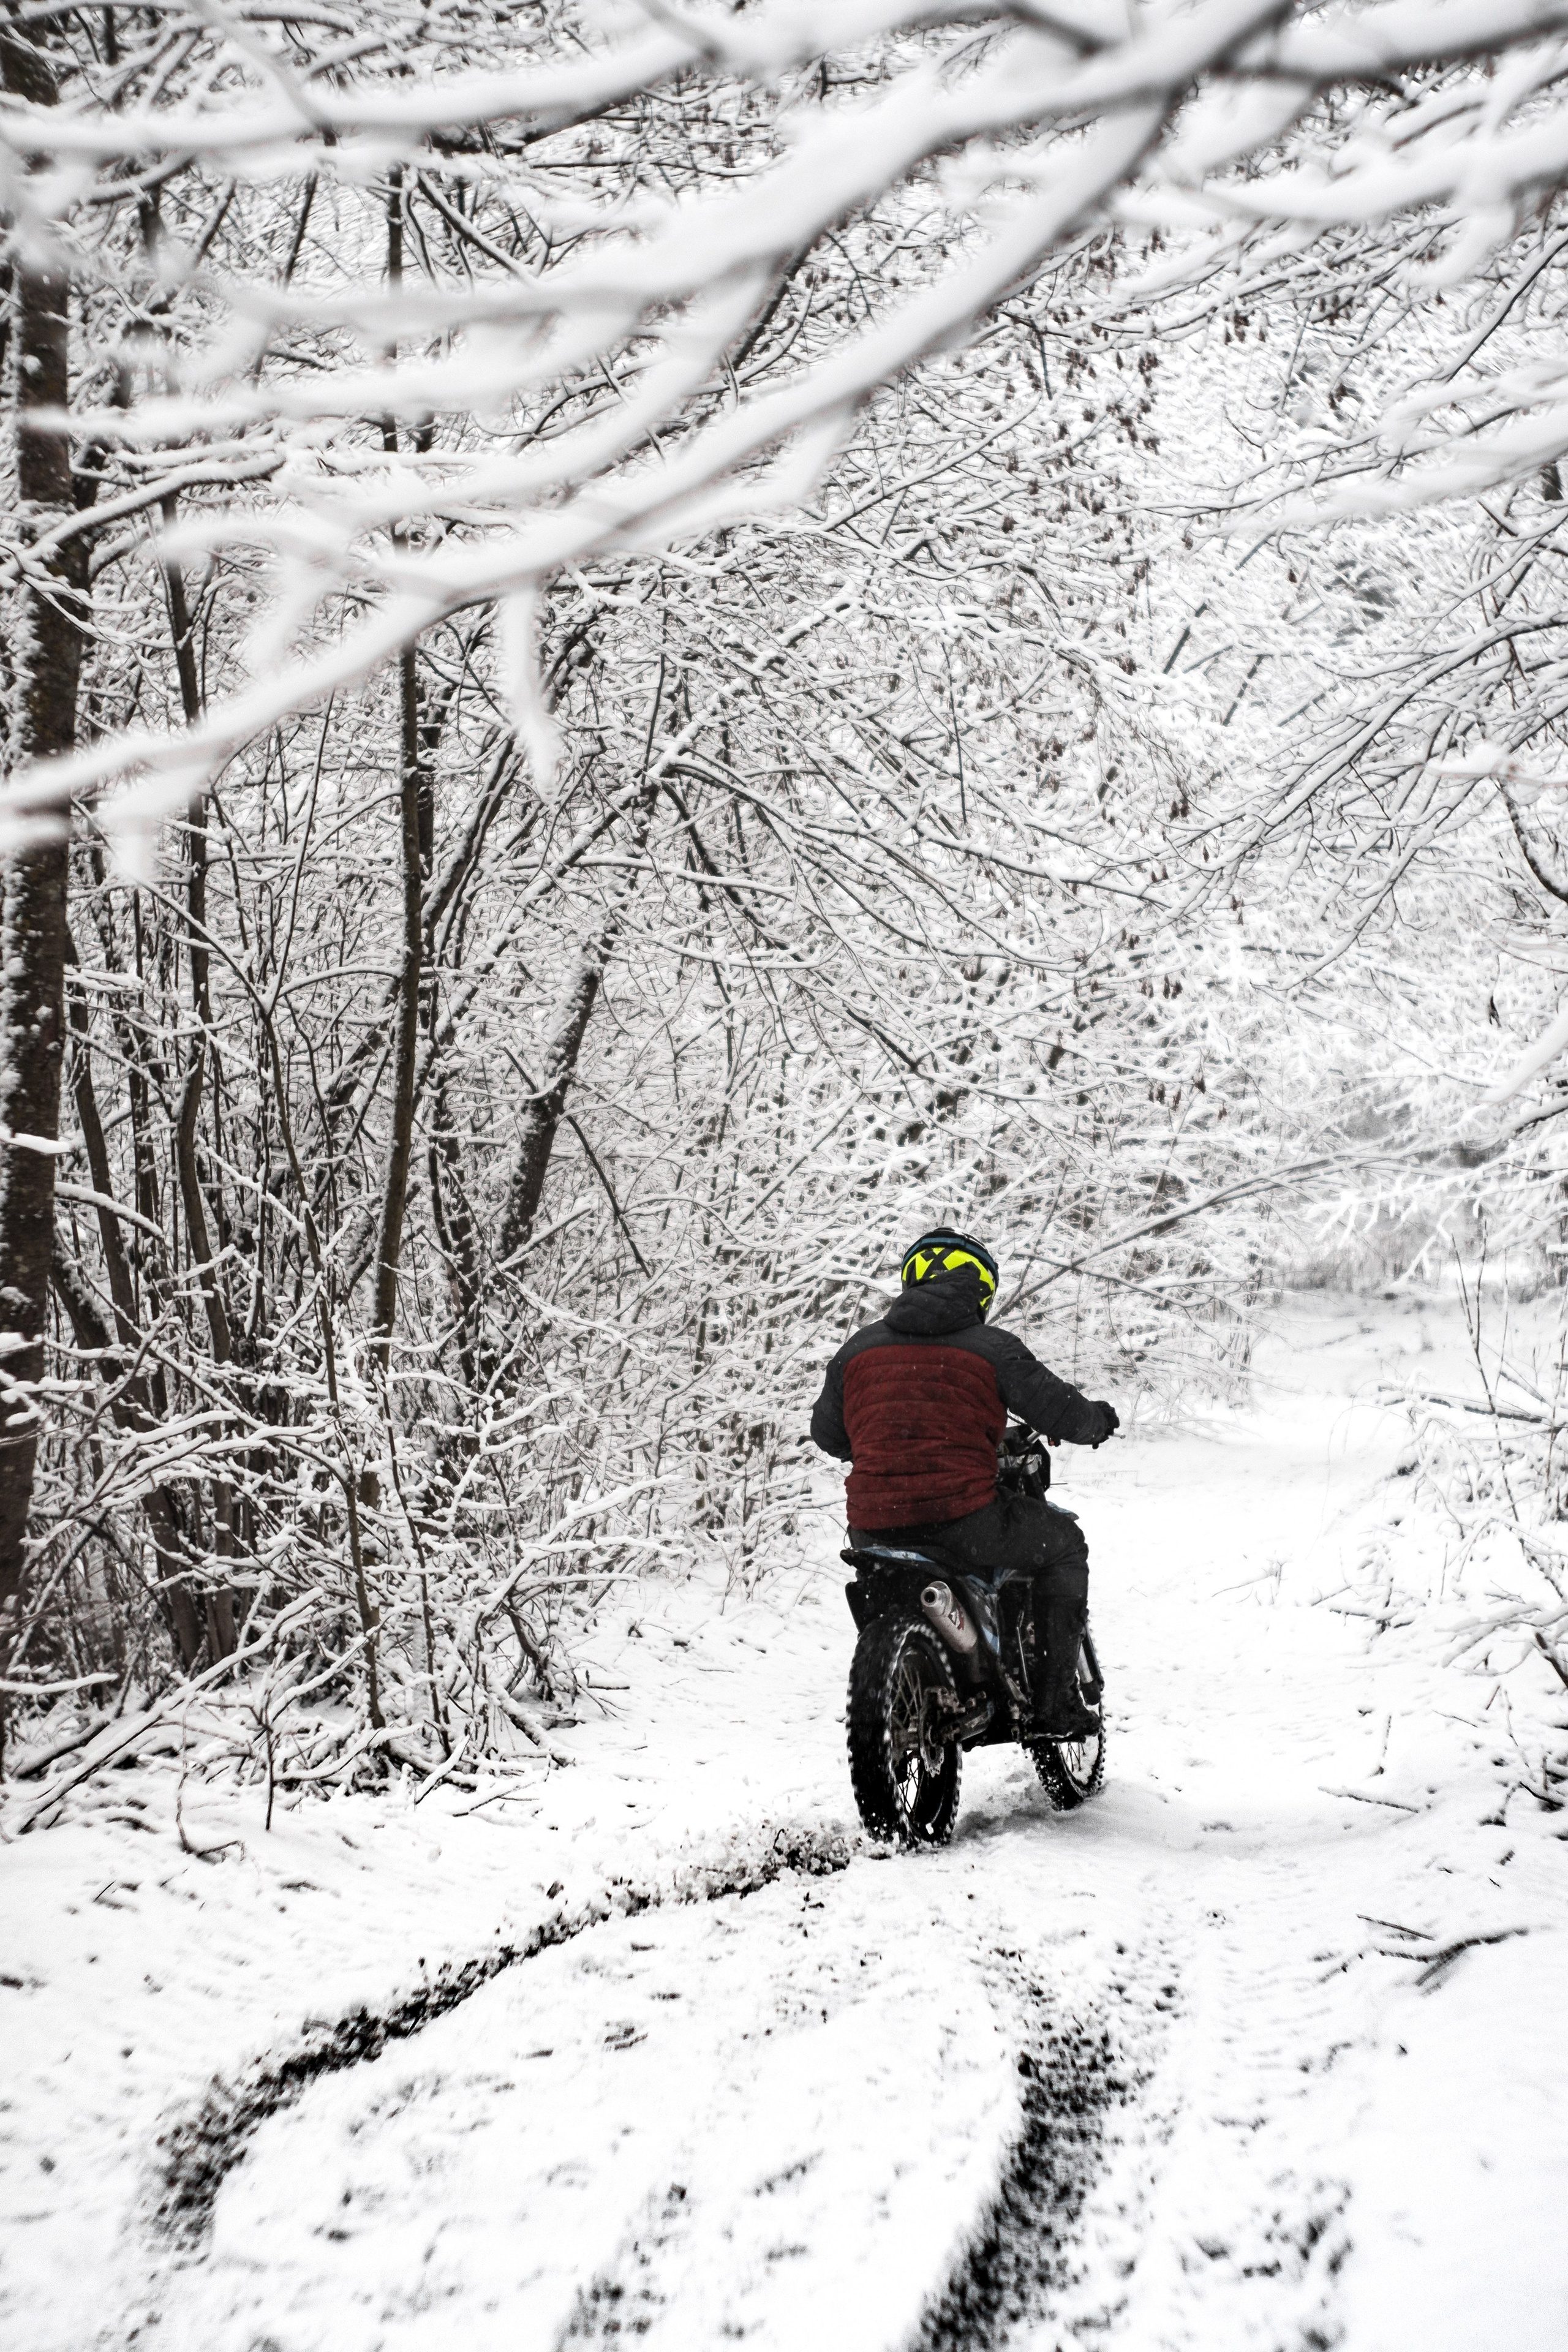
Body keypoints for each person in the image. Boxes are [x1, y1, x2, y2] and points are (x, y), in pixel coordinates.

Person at [810, 1227, 1117, 1740]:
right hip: (965, 1521)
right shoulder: (991, 1347)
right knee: (1065, 1546)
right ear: (981, 1290)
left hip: (873, 1527)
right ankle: (1054, 1704)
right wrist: (1098, 1421)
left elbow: (828, 1435)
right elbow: (1060, 1412)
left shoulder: (857, 1349)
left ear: (910, 1280)